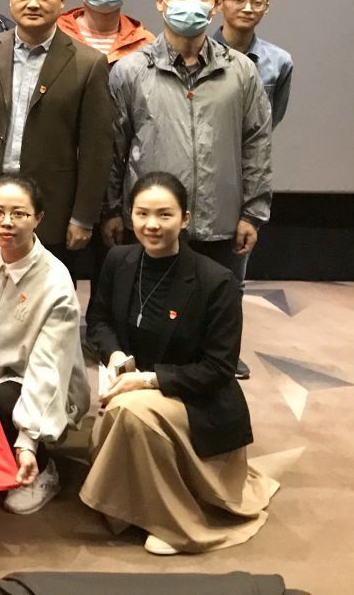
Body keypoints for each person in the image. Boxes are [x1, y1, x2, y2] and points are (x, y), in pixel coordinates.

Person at [82, 172, 278, 554]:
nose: (152, 225)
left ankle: (174, 524)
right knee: (127, 408)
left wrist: (148, 381)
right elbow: (99, 321)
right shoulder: (118, 261)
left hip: (199, 400)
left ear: (185, 219)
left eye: (165, 214)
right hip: (135, 387)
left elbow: (218, 368)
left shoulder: (215, 281)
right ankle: (132, 505)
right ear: (130, 215)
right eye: (142, 213)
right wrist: (116, 355)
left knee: (130, 412)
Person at [102, 0, 272, 380]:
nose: (191, 4)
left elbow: (256, 143)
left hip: (220, 218)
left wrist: (253, 211)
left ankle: (214, 377)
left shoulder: (241, 72)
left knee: (218, 308)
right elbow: (114, 147)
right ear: (161, 3)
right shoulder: (130, 71)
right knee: (151, 308)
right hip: (152, 221)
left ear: (215, 6)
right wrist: (111, 210)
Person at [0, 0, 112, 270]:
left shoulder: (89, 64)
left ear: (63, 0)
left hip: (52, 212)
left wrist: (83, 217)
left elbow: (96, 150)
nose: (33, 3)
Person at [0, 174, 89, 515]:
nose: (7, 222)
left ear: (38, 218)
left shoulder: (55, 283)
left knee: (3, 398)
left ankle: (43, 470)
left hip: (41, 386)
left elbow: (48, 369)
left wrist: (28, 441)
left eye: (19, 214)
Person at [216, 0, 293, 128]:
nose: (248, 9)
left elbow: (272, 119)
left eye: (257, 3)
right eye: (239, 0)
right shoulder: (198, 55)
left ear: (266, 8)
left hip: (254, 144)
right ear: (220, 3)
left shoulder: (279, 61)